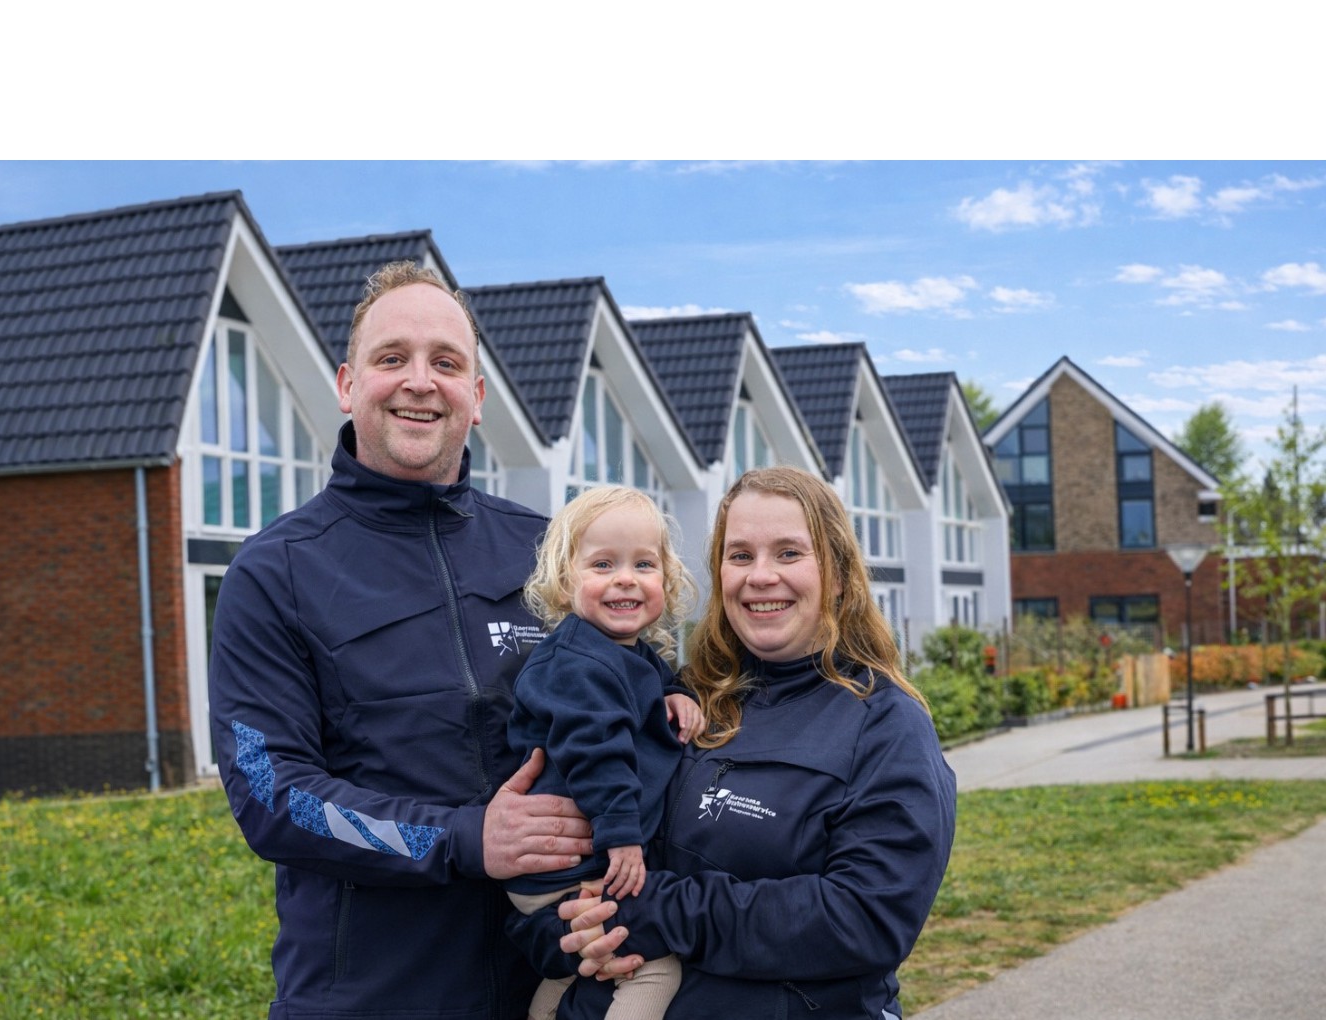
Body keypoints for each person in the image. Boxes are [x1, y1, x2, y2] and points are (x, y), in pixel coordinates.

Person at [210, 262, 594, 1020]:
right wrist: (462, 838)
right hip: (367, 998)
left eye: (446, 363)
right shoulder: (275, 571)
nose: (420, 381)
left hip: (551, 989)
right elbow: (270, 792)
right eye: (393, 358)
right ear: (349, 385)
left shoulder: (548, 553)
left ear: (476, 399)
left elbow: (625, 707)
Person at [512, 466, 957, 1018]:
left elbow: (867, 920)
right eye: (740, 555)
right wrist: (566, 930)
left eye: (789, 553)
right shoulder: (683, 703)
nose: (760, 576)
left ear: (839, 574)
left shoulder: (885, 725)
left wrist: (659, 912)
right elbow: (565, 895)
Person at [506, 486, 702, 1020]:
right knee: (655, 966)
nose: (625, 578)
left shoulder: (620, 652)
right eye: (602, 564)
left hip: (566, 866)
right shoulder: (577, 664)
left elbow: (648, 682)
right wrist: (624, 839)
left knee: (576, 960)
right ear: (566, 582)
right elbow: (596, 750)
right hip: (575, 864)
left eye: (644, 563)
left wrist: (677, 693)